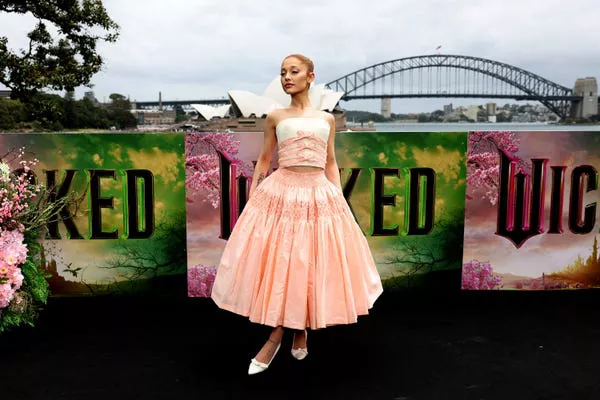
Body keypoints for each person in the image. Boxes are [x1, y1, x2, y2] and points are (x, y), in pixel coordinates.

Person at [210, 54, 383, 375]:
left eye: (294, 71)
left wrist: (336, 198)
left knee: (311, 263)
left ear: (310, 76)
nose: (286, 77)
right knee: (285, 263)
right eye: (282, 73)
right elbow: (264, 160)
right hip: (282, 193)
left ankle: (289, 334)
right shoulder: (275, 117)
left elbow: (330, 161)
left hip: (319, 194)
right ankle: (288, 335)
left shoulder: (326, 119)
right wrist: (254, 195)